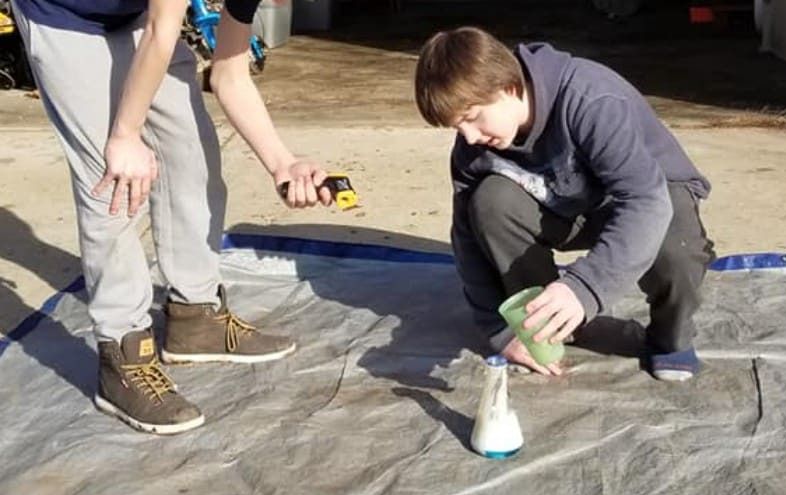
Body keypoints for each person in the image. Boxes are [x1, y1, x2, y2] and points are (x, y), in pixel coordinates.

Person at [12, 0, 335, 434]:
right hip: (62, 14)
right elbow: (162, 32)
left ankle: (195, 316)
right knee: (113, 179)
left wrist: (283, 163)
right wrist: (125, 136)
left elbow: (229, 74)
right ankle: (122, 355)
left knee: (190, 149)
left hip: (134, 14)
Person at [414, 27, 716, 380]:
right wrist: (499, 330)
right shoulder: (473, 149)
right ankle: (547, 322)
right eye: (456, 127)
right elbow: (466, 240)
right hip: (565, 204)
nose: (469, 137)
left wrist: (584, 287)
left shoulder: (589, 99)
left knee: (674, 244)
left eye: (471, 117)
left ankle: (669, 338)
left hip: (652, 194)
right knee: (489, 202)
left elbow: (645, 200)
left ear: (508, 88)